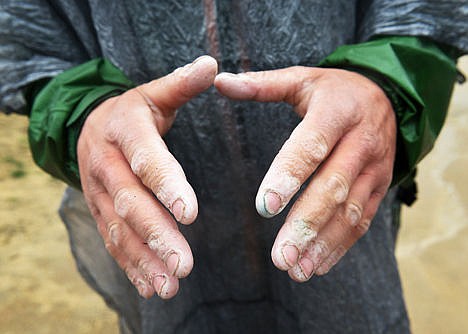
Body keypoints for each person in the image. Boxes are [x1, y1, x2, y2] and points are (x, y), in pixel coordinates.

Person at [1, 1, 467, 333]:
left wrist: (384, 86)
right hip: (157, 250)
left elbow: (424, 17)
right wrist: (84, 118)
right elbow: (30, 42)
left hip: (344, 247)